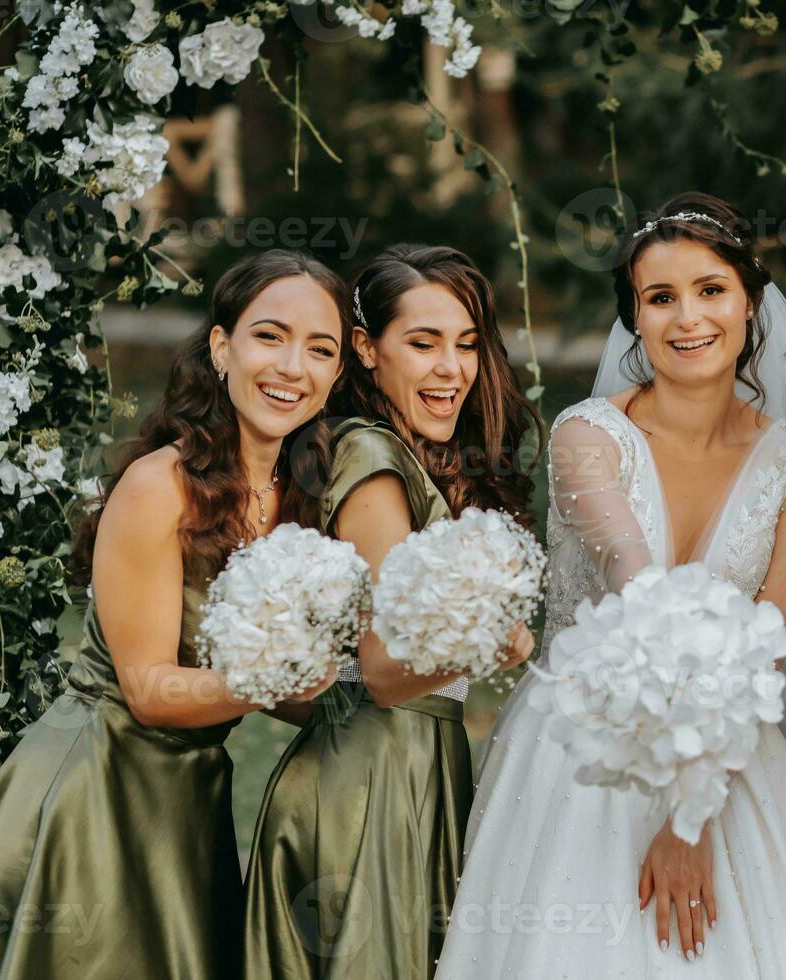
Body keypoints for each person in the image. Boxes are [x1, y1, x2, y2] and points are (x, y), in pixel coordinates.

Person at [434, 193, 786, 978]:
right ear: (636, 320)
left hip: (732, 759)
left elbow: (771, 634)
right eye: (661, 298)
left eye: (711, 290)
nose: (688, 319)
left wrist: (690, 818)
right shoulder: (587, 436)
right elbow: (634, 582)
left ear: (750, 303)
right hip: (582, 759)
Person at [0, 250, 349, 979]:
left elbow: (267, 686)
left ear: (338, 375)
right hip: (96, 789)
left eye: (321, 350)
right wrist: (280, 678)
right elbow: (151, 690)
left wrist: (365, 702)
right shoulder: (161, 486)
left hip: (189, 798)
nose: (293, 367)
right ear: (222, 348)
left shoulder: (300, 497)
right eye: (269, 336)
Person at [242, 244, 540, 979]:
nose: (452, 369)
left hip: (411, 762)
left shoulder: (408, 457)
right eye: (424, 343)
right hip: (371, 781)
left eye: (467, 345)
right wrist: (487, 640)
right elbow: (378, 670)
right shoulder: (371, 458)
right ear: (367, 350)